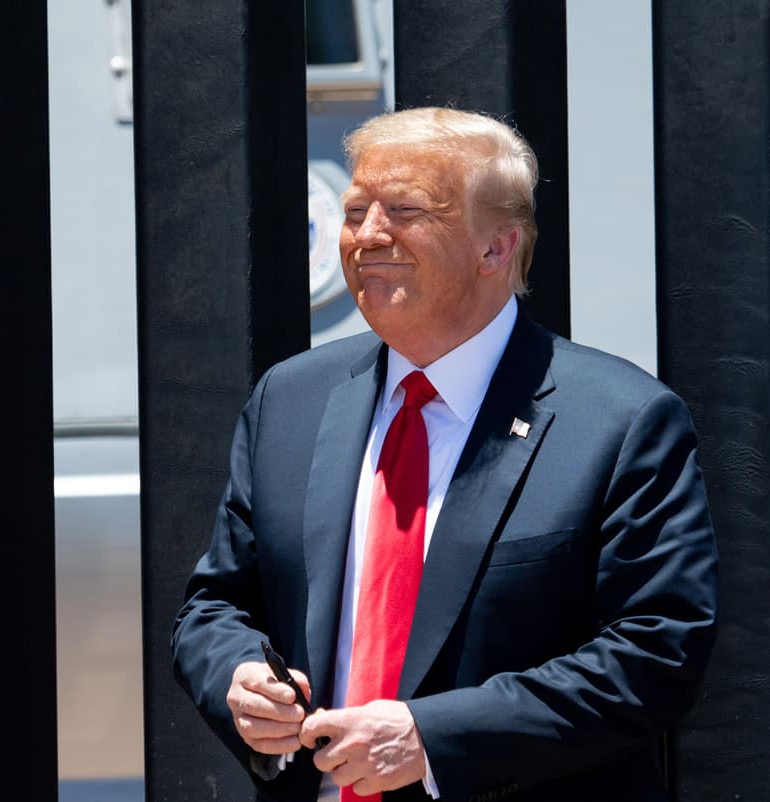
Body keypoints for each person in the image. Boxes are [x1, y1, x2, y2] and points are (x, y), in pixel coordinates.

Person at [172, 107, 718, 802]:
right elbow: (214, 604)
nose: (368, 235)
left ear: (496, 249)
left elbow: (656, 653)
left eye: (404, 210)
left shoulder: (621, 420)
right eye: (356, 209)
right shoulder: (291, 400)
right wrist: (240, 679)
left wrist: (432, 738)